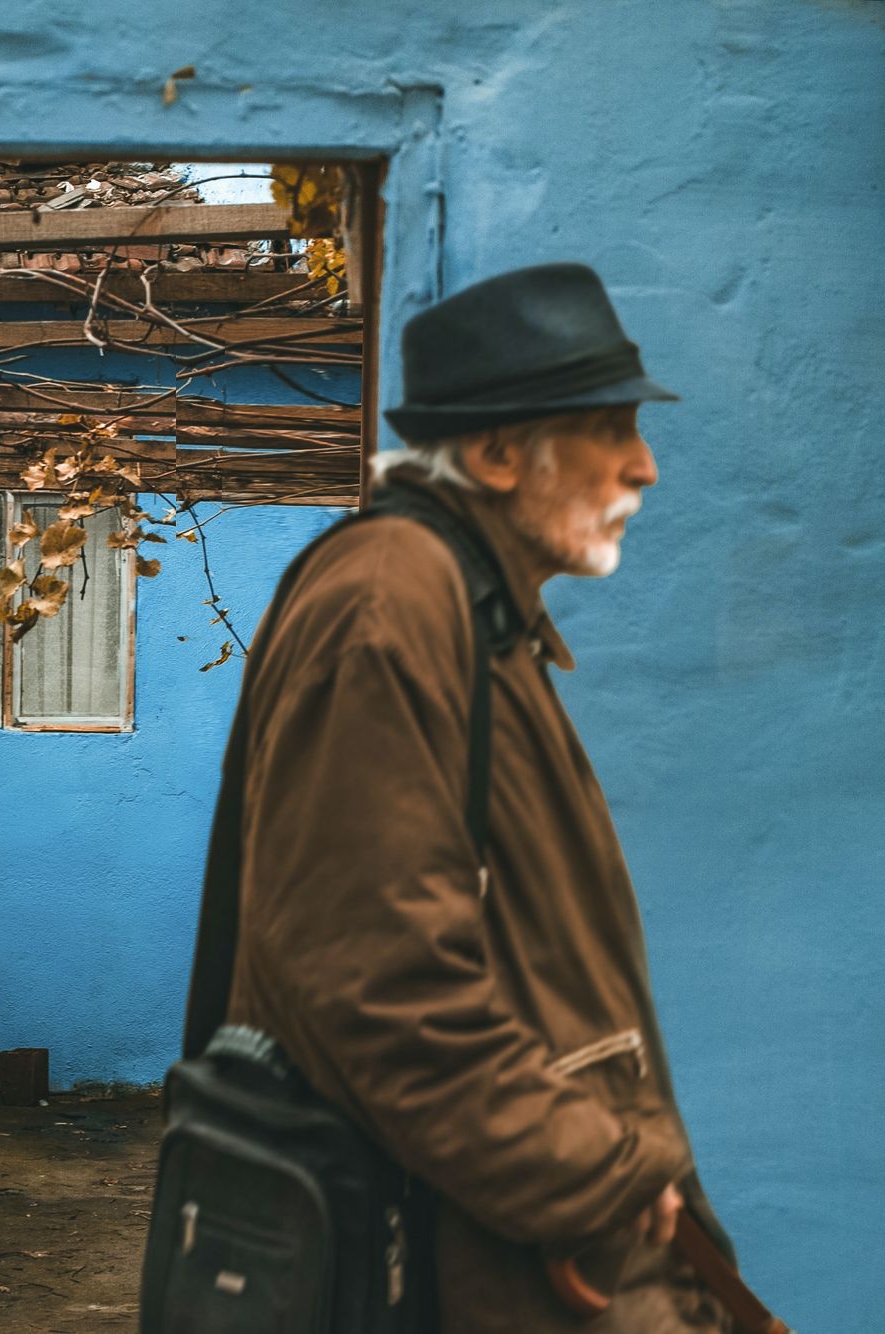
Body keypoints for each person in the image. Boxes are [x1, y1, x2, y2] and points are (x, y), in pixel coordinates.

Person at [182, 264, 733, 1331]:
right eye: (608, 427)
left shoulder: (471, 609)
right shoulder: (390, 603)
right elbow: (373, 981)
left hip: (527, 1243)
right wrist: (599, 1173)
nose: (643, 466)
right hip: (467, 1258)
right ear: (491, 454)